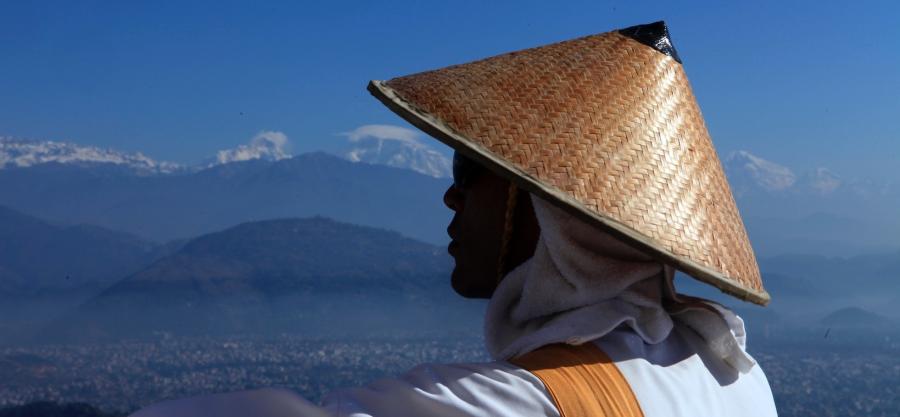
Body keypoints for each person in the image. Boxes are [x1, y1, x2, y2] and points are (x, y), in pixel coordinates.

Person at [132, 21, 778, 417]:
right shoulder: (735, 376)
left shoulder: (531, 403)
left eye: (467, 171)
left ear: (547, 205)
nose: (451, 198)